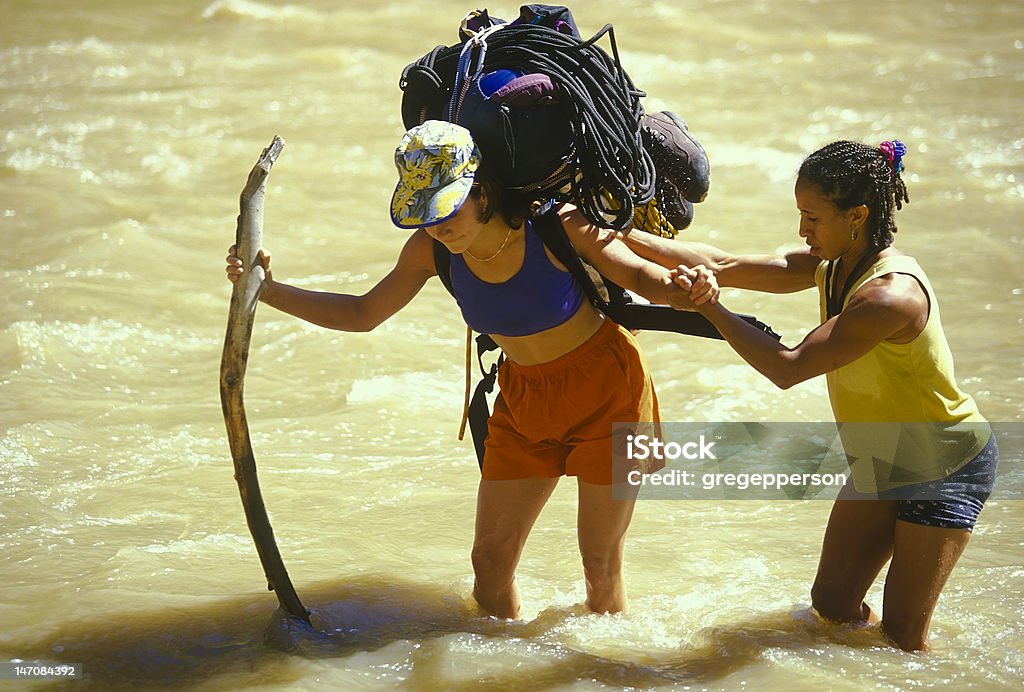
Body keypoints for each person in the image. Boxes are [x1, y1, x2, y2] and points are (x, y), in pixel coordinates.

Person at [225, 120, 716, 619]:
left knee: (599, 561)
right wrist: (266, 288)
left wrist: (684, 290)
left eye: (446, 208)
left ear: (480, 191)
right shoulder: (431, 250)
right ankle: (496, 667)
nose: (437, 225)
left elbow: (638, 274)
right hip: (523, 398)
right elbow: (362, 314)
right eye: (424, 213)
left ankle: (606, 670)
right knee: (490, 562)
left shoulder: (555, 225)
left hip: (609, 390)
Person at [623, 139, 998, 651]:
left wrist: (710, 307)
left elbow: (788, 367)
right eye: (801, 214)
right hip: (886, 455)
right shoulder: (831, 264)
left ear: (858, 215)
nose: (803, 231)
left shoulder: (888, 297)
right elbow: (724, 261)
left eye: (813, 218)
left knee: (904, 636)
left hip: (946, 462)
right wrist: (615, 233)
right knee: (832, 606)